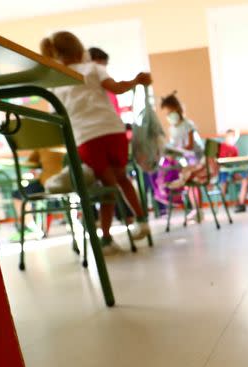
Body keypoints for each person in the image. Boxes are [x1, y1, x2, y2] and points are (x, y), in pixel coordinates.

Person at [40, 32, 151, 255]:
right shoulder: (93, 68)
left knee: (106, 185)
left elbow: (56, 118)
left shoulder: (55, 83)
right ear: (80, 49)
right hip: (112, 131)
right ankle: (141, 220)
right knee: (121, 177)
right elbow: (117, 87)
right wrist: (136, 81)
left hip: (86, 139)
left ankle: (107, 239)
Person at [159, 91, 205, 221]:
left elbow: (190, 145)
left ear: (177, 109)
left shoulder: (188, 125)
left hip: (196, 158)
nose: (169, 115)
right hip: (185, 160)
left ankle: (199, 210)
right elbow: (174, 145)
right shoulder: (172, 129)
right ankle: (195, 209)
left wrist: (177, 149)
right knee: (188, 183)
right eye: (167, 114)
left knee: (192, 181)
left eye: (170, 112)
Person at [218, 129, 248, 213]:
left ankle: (241, 203)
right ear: (226, 136)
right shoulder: (220, 146)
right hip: (223, 172)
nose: (232, 138)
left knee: (246, 178)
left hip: (233, 171)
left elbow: (236, 163)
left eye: (234, 136)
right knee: (223, 183)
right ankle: (223, 204)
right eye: (230, 136)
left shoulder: (234, 149)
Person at [87, 47, 123, 115]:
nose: (104, 67)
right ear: (97, 60)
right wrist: (136, 80)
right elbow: (117, 88)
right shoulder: (97, 70)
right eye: (104, 64)